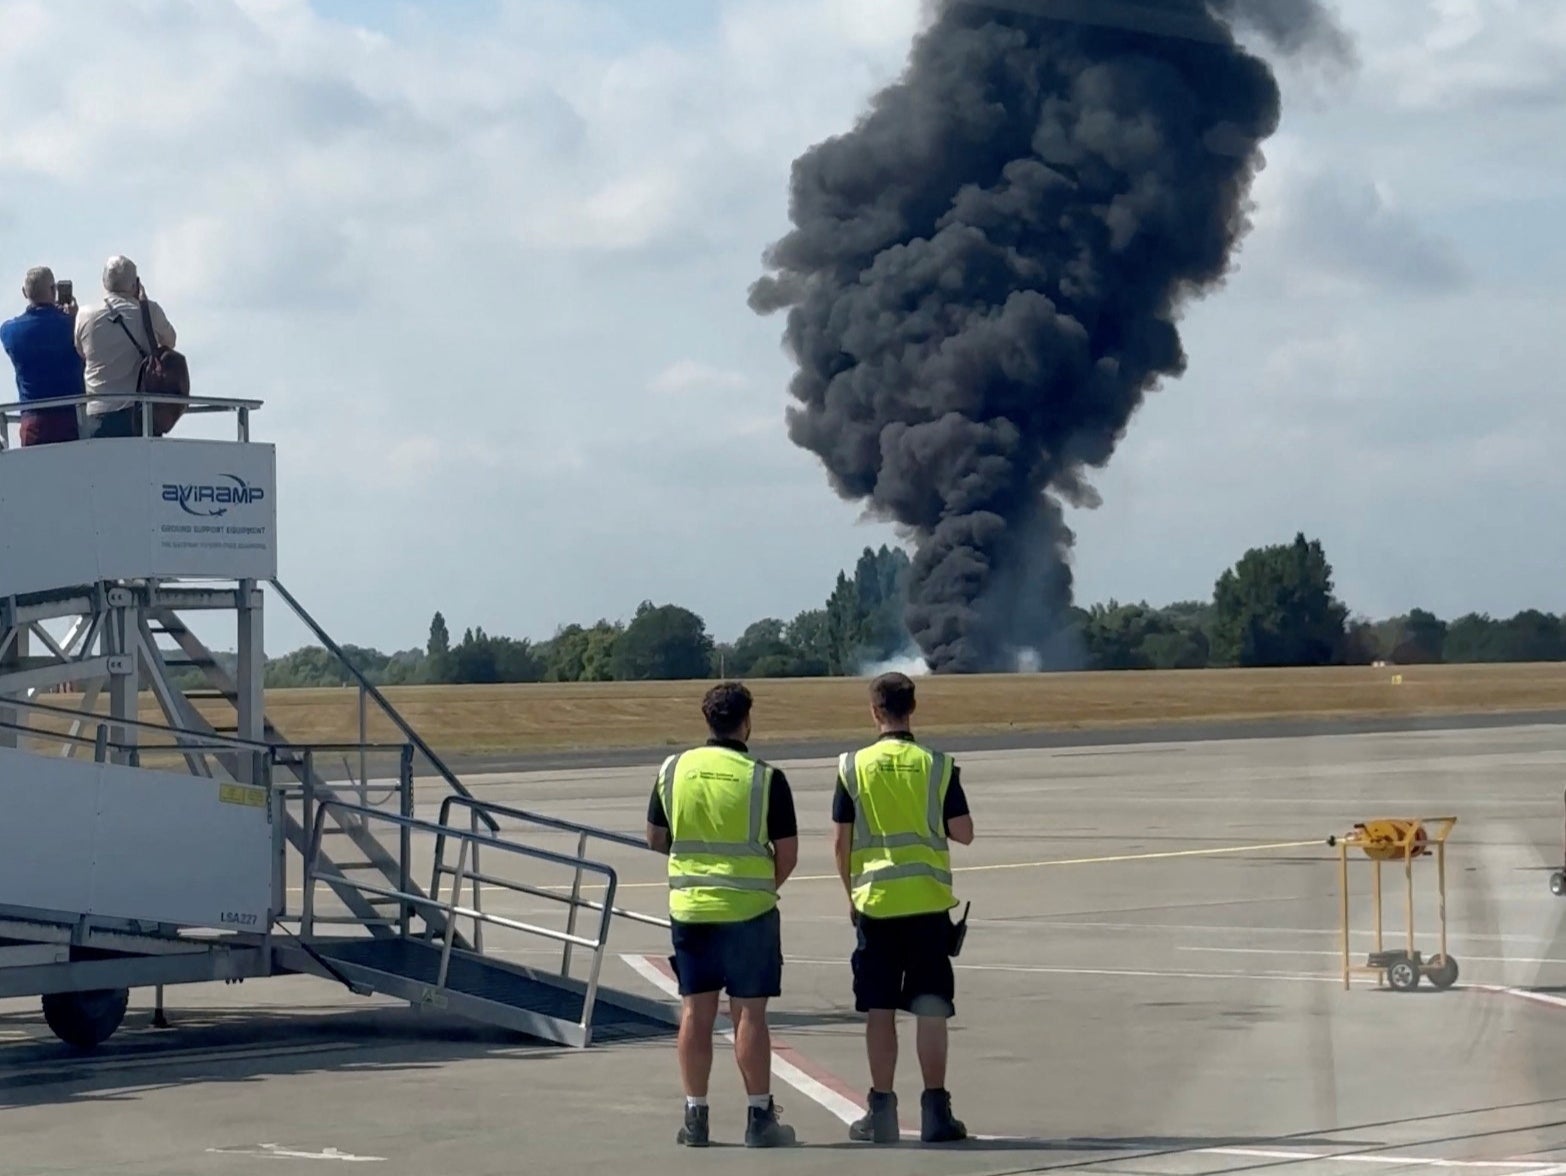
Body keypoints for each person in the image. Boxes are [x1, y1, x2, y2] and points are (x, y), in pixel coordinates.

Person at [646, 681, 799, 1149]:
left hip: (691, 910)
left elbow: (655, 837)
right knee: (749, 1013)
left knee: (695, 1009)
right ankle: (758, 1116)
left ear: (707, 719)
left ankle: (695, 1116)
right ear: (746, 721)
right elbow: (788, 854)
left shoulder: (674, 770)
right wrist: (757, 889)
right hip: (750, 911)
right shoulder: (765, 777)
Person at [832, 670, 974, 1145]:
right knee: (931, 1007)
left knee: (879, 1010)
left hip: (876, 903)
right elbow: (964, 831)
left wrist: (851, 894)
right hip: (929, 905)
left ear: (875, 711)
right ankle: (936, 1110)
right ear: (912, 708)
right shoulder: (937, 766)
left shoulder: (853, 767)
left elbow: (841, 842)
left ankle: (882, 1111)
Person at [73, 255, 176, 439]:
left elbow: (81, 352)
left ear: (104, 282)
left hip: (97, 413)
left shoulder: (84, 314)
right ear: (135, 283)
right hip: (138, 414)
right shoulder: (149, 310)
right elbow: (170, 342)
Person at [0, 266, 84, 446]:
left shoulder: (9, 330)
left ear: (24, 292)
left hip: (33, 423)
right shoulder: (71, 325)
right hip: (72, 420)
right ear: (54, 291)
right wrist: (75, 319)